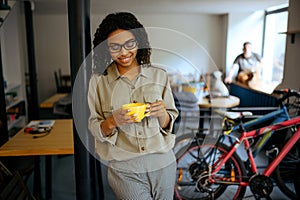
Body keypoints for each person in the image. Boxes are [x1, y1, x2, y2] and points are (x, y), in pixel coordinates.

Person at [87, 12, 179, 199]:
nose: (123, 52)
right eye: (115, 47)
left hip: (163, 163)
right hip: (124, 169)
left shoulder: (159, 75)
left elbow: (168, 123)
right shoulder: (98, 82)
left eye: (130, 44)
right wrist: (112, 121)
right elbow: (94, 127)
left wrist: (162, 113)